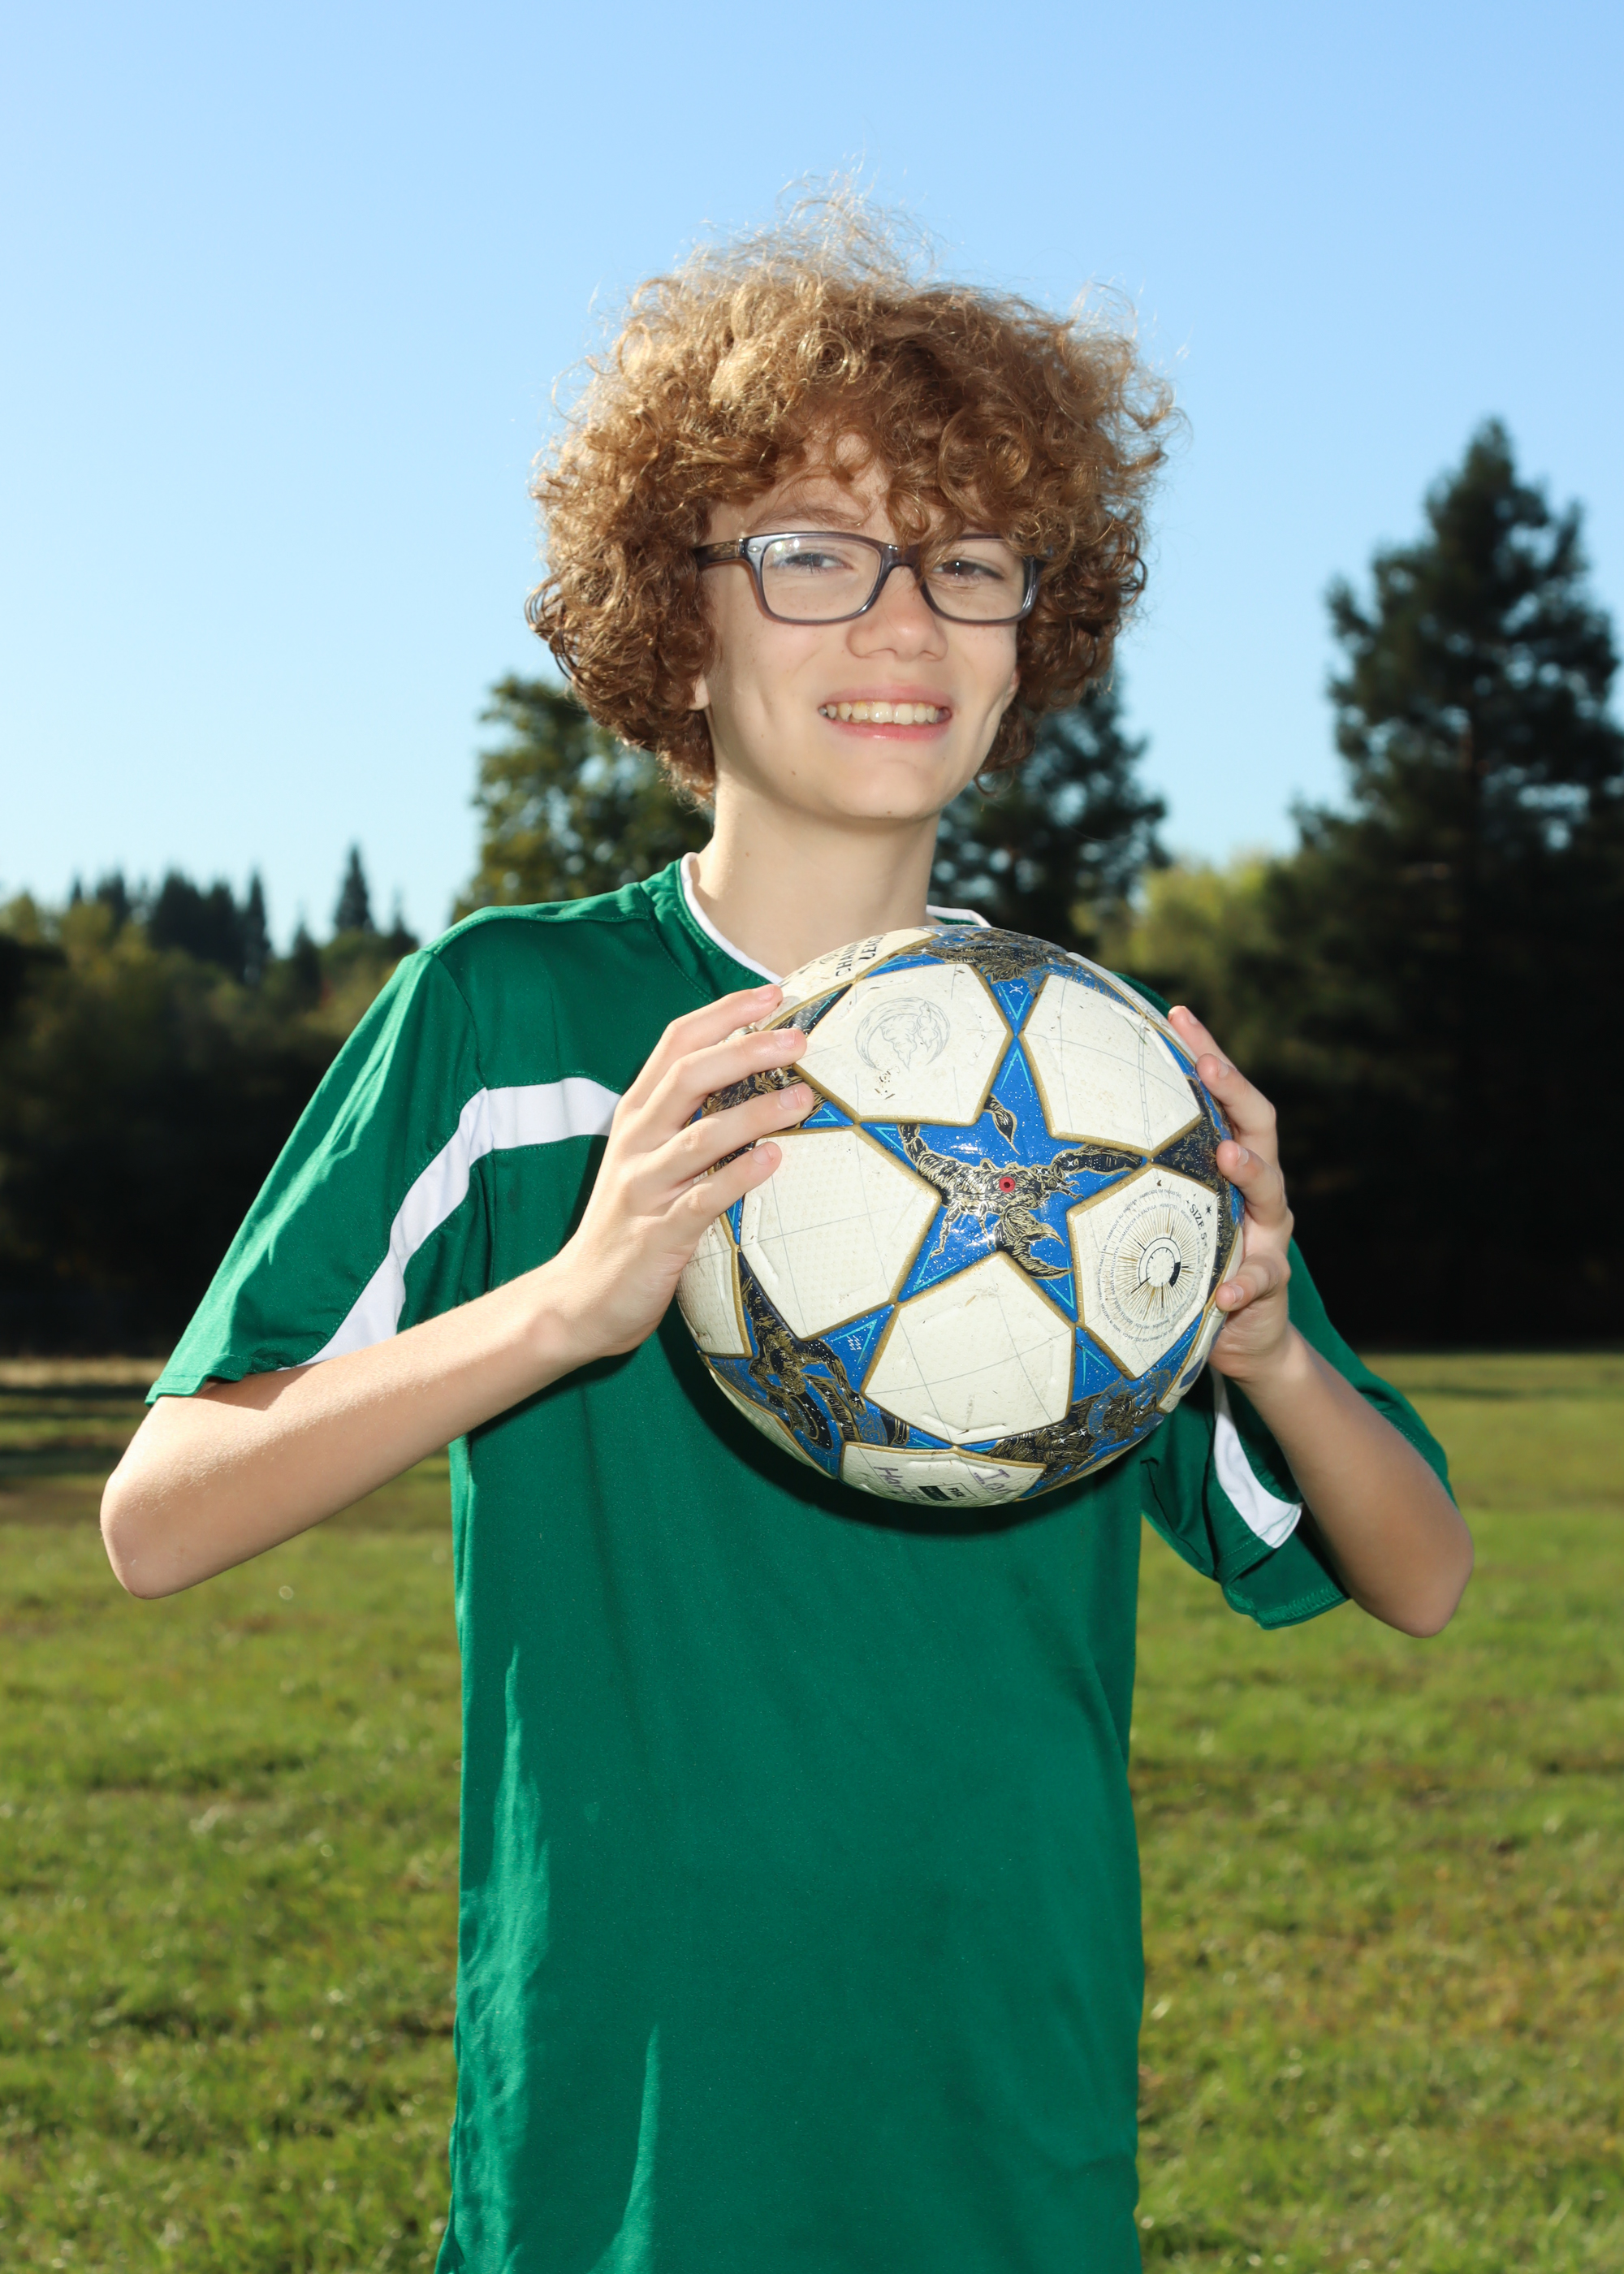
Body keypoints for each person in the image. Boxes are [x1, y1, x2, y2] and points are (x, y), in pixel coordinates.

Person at [102, 210, 1472, 2273]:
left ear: (1034, 638)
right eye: (813, 554)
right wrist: (564, 1305)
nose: (900, 619)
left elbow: (1424, 1574)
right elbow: (159, 1517)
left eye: (969, 562)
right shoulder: (509, 1020)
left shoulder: (1095, 1093)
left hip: (1002, 2081)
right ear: (677, 619)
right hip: (630, 2110)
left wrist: (1265, 1342)